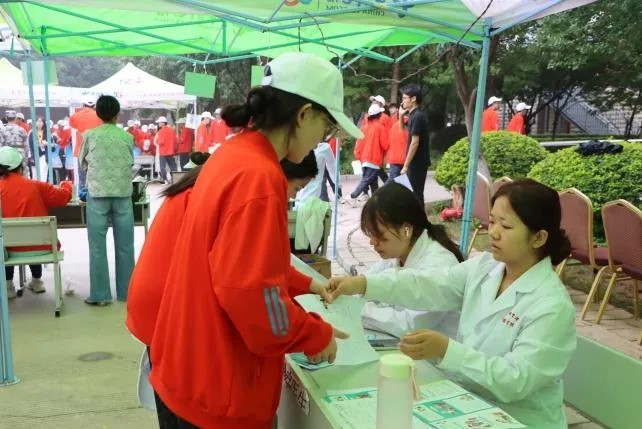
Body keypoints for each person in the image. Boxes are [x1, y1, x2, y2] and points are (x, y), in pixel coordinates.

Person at [148, 52, 362, 429]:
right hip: (219, 390)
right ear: (303, 114)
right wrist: (314, 334)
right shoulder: (259, 178)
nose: (322, 140)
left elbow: (248, 266)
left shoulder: (232, 154)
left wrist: (306, 290)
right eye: (326, 127)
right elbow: (254, 298)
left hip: (187, 370)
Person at [327, 178, 576, 428]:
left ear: (538, 238)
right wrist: (363, 284)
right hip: (469, 404)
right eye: (492, 221)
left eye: (506, 226)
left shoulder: (551, 305)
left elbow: (514, 380)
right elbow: (429, 284)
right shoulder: (485, 267)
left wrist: (447, 350)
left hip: (518, 418)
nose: (494, 232)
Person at [359, 183, 464, 338]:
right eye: (370, 234)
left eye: (379, 235)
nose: (372, 242)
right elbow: (367, 283)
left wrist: (359, 309)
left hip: (435, 360)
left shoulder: (440, 264)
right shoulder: (400, 255)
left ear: (406, 229)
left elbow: (408, 325)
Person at [79, 95, 135, 306]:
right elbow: (130, 162)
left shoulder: (90, 135)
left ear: (98, 114)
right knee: (126, 246)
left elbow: (82, 162)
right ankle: (127, 293)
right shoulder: (126, 137)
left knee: (97, 247)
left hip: (98, 195)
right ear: (117, 114)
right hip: (122, 195)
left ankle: (100, 295)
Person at [0, 147, 72, 298]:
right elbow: (63, 197)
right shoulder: (36, 186)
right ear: (20, 168)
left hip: (8, 252)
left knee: (4, 242)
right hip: (42, 248)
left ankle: (7, 287)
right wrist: (66, 184)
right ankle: (37, 281)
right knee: (32, 236)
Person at [348, 104, 389, 206]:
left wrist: (358, 156)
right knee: (366, 180)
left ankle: (375, 202)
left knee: (373, 182)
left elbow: (358, 145)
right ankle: (352, 196)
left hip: (364, 159)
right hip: (374, 159)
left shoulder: (363, 128)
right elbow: (385, 145)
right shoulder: (380, 128)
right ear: (379, 115)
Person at [399, 84, 431, 205]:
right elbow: (402, 129)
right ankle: (416, 221)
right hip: (413, 162)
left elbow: (415, 143)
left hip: (418, 162)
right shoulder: (412, 115)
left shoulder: (418, 116)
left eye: (405, 98)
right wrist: (401, 115)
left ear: (413, 99)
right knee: (411, 194)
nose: (403, 101)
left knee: (416, 195)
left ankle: (420, 222)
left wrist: (405, 165)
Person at [70, 98, 102, 188]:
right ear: (94, 106)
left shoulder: (76, 116)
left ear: (83, 105)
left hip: (80, 151)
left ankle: (82, 198)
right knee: (95, 177)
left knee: (82, 178)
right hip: (94, 151)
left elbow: (73, 125)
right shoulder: (99, 116)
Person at [295, 140, 338, 204]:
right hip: (303, 185)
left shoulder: (324, 148)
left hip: (315, 187)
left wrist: (337, 183)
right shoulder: (300, 146)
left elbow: (332, 167)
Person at [0, 110, 31, 178]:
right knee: (23, 175)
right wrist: (26, 157)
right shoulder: (21, 130)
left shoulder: (2, 130)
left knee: (8, 176)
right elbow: (26, 146)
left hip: (8, 155)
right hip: (21, 154)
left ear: (6, 118)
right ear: (15, 118)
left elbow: (1, 146)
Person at [386, 103, 409, 183]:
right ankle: (379, 195)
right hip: (402, 158)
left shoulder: (394, 125)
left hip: (394, 157)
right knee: (393, 181)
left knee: (401, 182)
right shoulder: (407, 124)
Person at [154, 116, 178, 182]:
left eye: (159, 122)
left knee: (162, 166)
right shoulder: (171, 130)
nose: (158, 124)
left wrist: (156, 141)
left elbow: (161, 142)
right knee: (173, 166)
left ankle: (164, 179)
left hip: (163, 152)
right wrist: (175, 150)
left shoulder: (161, 131)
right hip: (170, 151)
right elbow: (175, 141)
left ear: (163, 123)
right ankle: (176, 178)